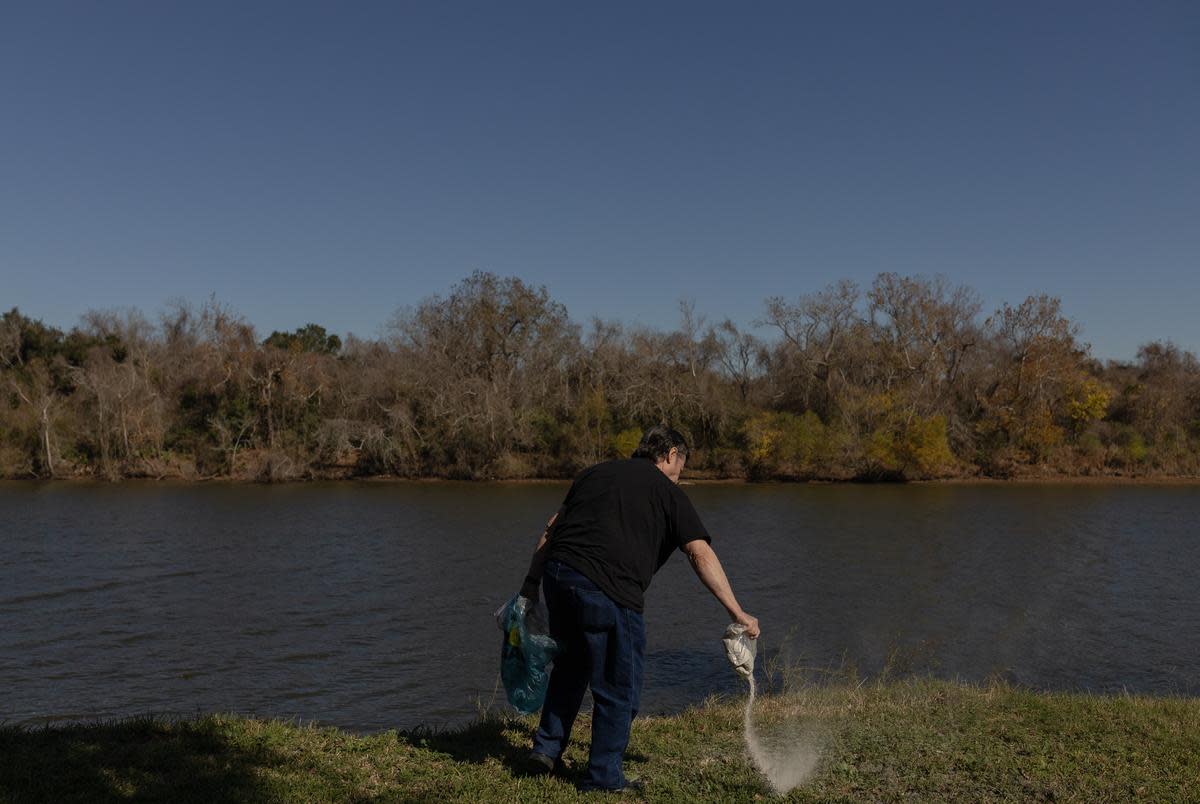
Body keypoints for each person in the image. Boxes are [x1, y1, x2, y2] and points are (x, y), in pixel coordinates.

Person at [517, 425, 760, 793]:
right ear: (669, 455)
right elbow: (699, 553)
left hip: (559, 576)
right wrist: (736, 611)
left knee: (572, 666)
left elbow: (551, 530)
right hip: (608, 588)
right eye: (682, 463)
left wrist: (529, 587)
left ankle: (545, 751)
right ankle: (602, 779)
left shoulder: (594, 473)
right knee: (619, 685)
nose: (681, 473)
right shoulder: (667, 491)